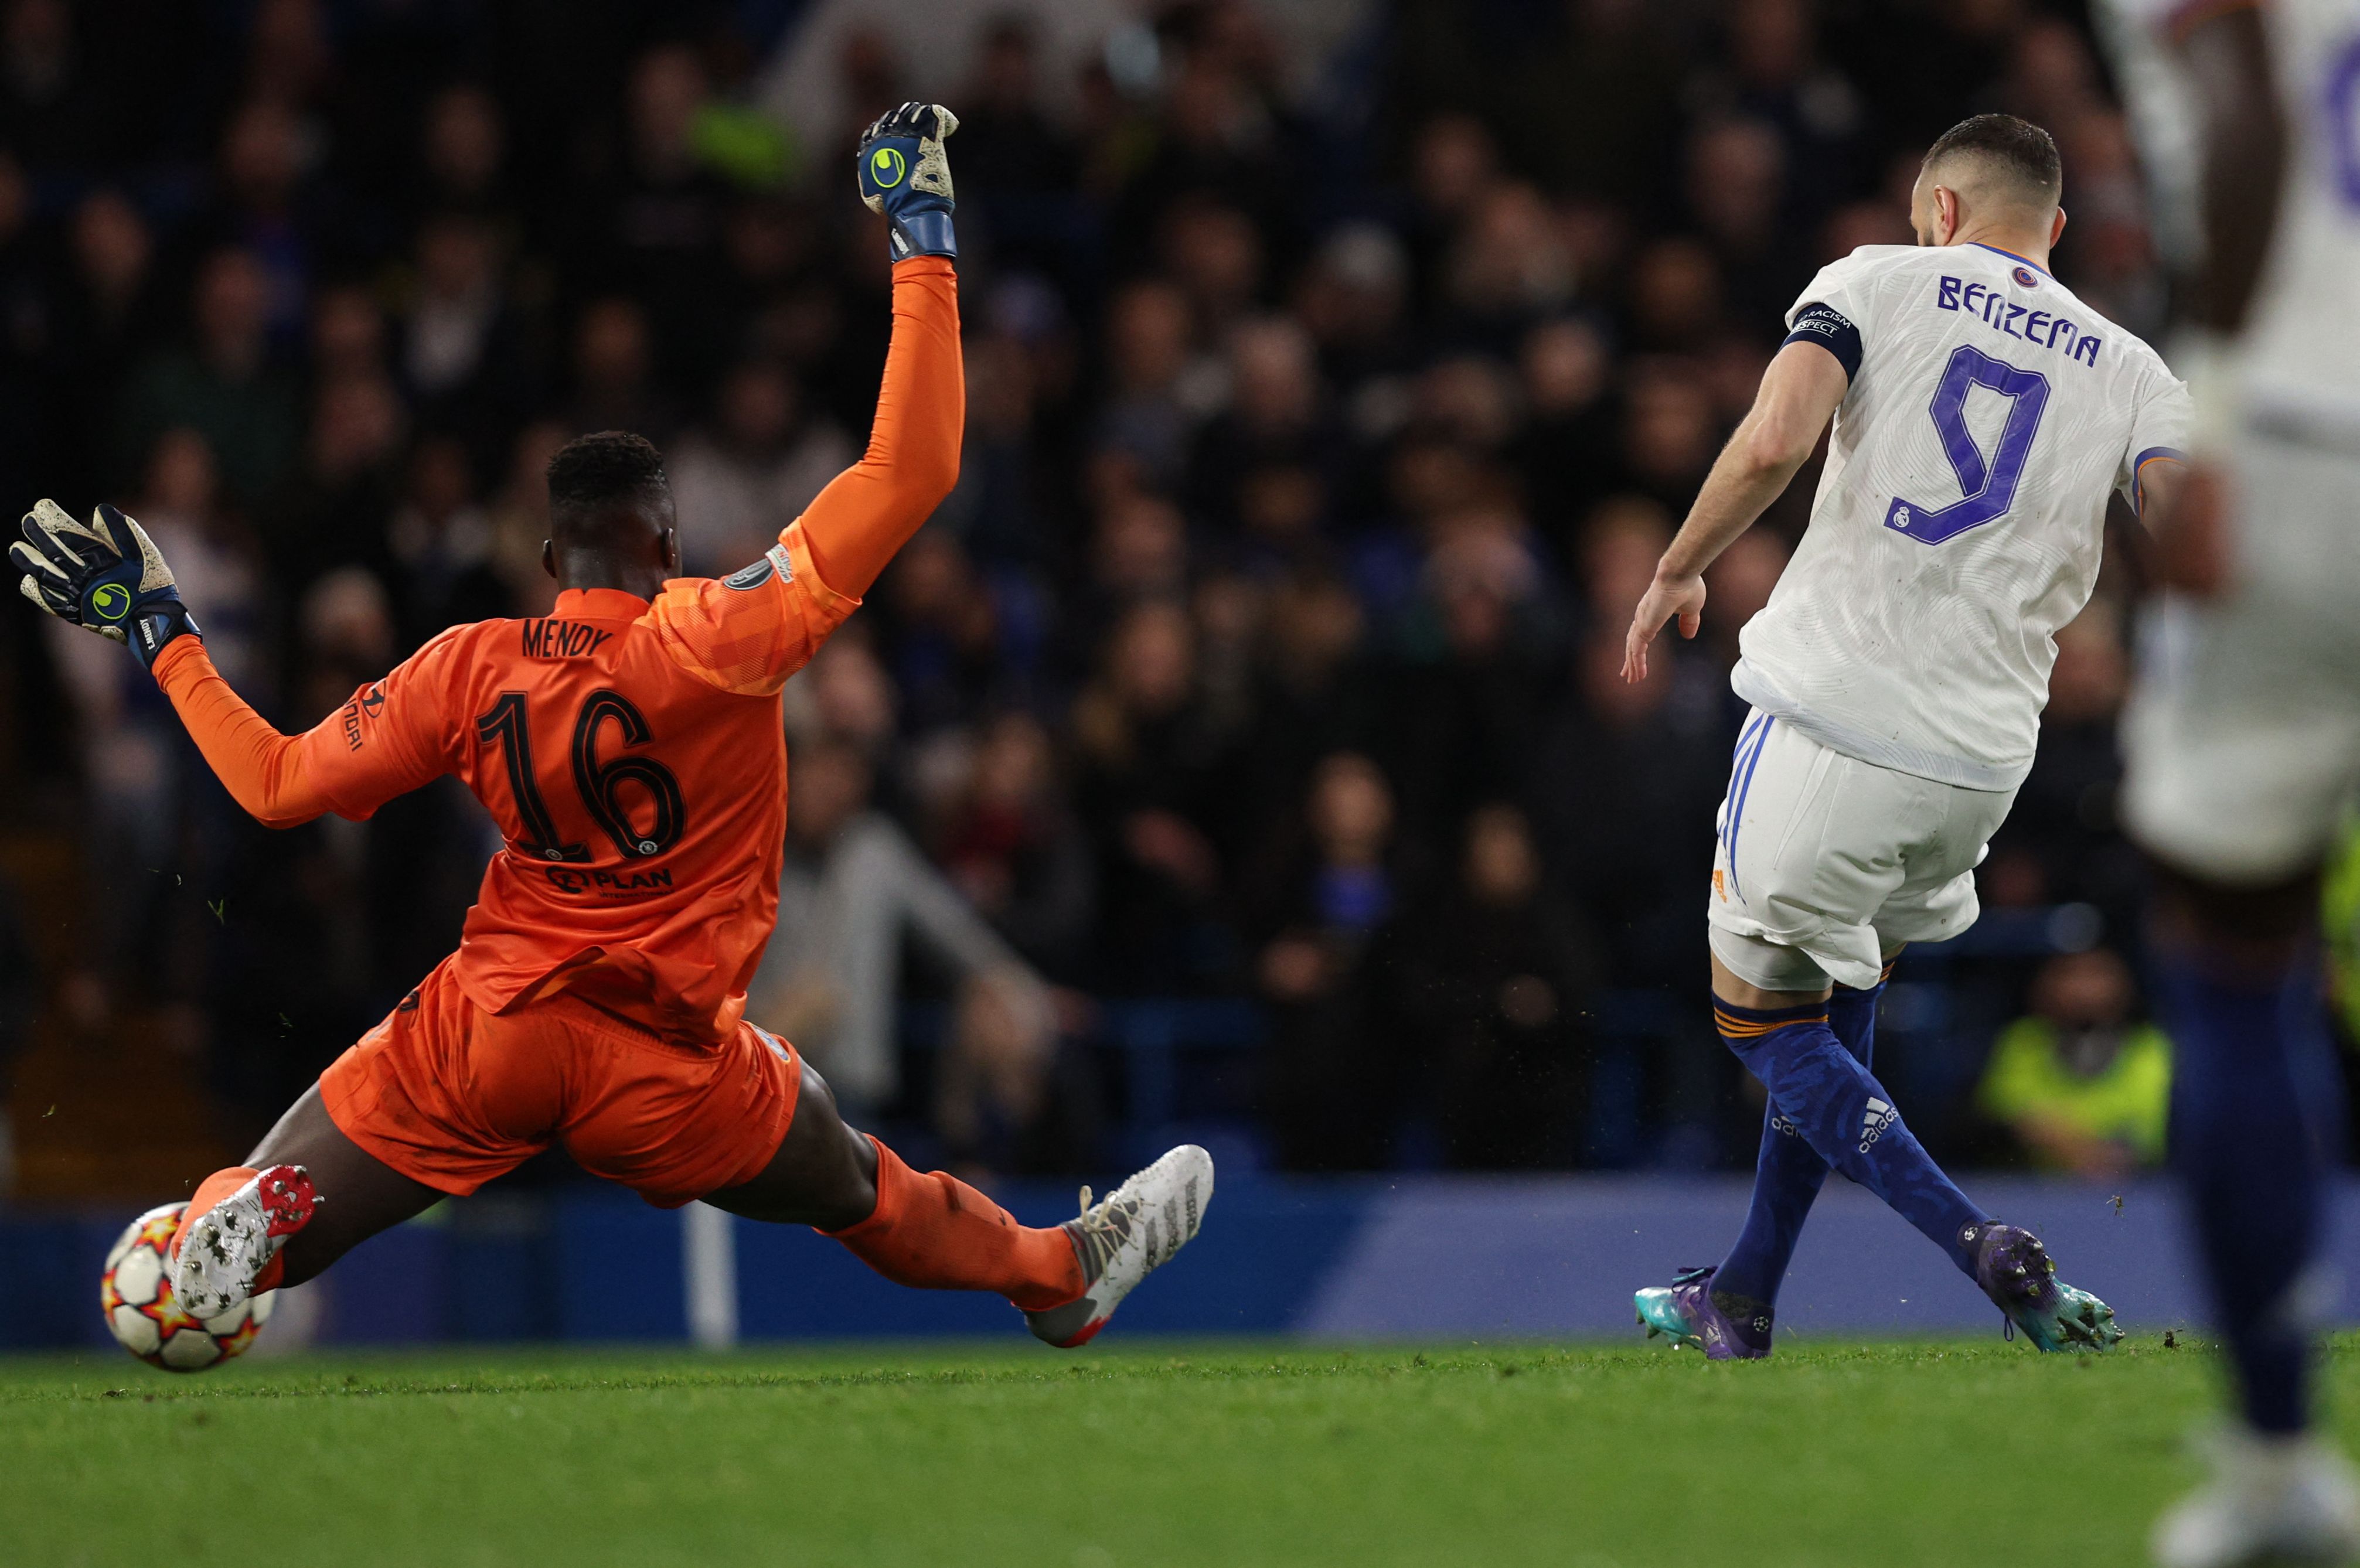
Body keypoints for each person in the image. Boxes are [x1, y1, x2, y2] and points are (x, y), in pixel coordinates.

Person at [11, 104, 1210, 1354]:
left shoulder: (468, 667)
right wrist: (921, 234)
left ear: (547, 556)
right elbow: (914, 468)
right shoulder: (724, 632)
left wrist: (165, 635)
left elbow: (268, 785)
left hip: (500, 1024)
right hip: (674, 1070)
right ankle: (1057, 1274)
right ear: (670, 544)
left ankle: (241, 1226)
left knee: (298, 1187)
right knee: (858, 1183)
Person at [1620, 113, 2189, 1359]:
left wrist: (1677, 566)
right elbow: (2185, 526)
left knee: (1759, 1026)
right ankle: (1745, 1296)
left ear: (1937, 208)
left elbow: (1775, 439)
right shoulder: (2132, 366)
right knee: (1834, 995)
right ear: (2055, 231)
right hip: (1981, 766)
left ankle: (1979, 1243)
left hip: (1834, 717)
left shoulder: (1872, 279)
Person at [2104, 1, 2360, 1557]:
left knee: (2229, 944)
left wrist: (2192, 407)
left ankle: (2278, 1463)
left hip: (2302, 439)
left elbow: (2241, 100)